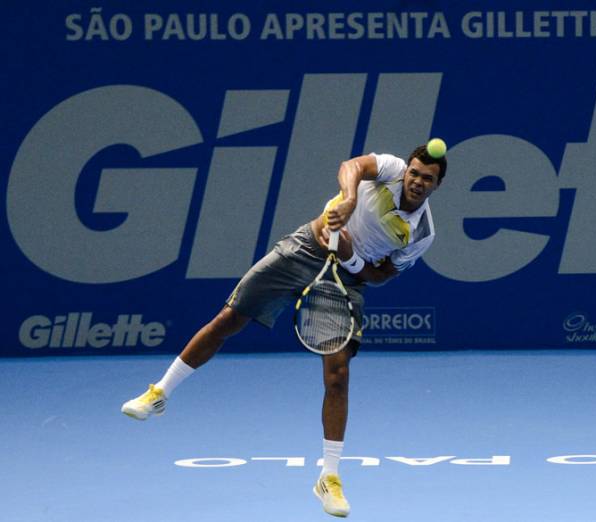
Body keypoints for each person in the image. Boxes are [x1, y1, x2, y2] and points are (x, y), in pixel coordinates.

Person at [121, 144, 446, 518]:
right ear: (407, 170)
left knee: (337, 375)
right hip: (306, 246)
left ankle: (329, 477)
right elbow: (351, 165)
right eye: (416, 173)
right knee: (229, 319)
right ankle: (160, 392)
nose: (418, 182)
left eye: (428, 179)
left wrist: (352, 258)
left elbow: (383, 275)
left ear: (437, 185)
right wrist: (349, 199)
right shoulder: (390, 168)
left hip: (347, 279)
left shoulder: (423, 231)